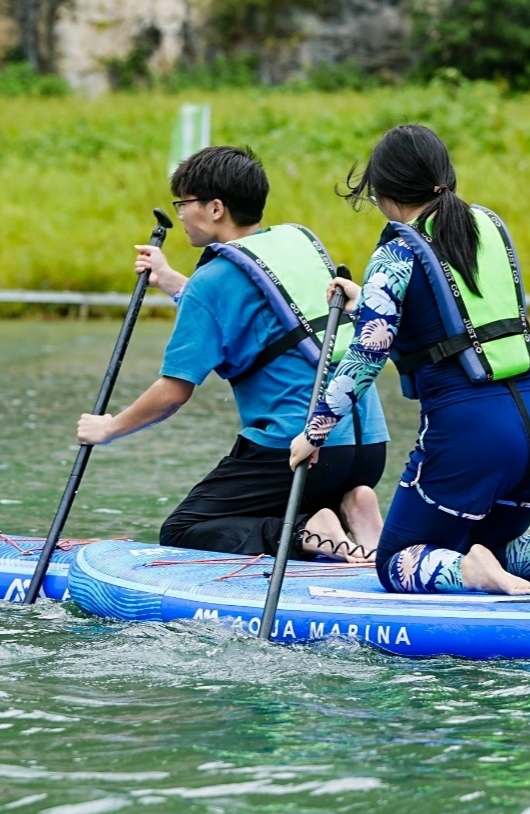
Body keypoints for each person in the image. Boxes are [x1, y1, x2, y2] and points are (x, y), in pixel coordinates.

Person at [289, 124, 530, 595]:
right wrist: (367, 301)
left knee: (396, 560)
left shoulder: (396, 252)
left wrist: (315, 431)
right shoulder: (487, 225)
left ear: (384, 192)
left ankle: (470, 573)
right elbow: (458, 318)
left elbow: (366, 354)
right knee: (476, 538)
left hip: (470, 436)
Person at [75, 145, 389, 560]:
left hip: (300, 451)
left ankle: (307, 530)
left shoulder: (212, 281)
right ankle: (353, 507)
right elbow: (263, 319)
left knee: (184, 529)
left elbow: (173, 392)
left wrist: (109, 428)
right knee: (280, 498)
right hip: (367, 448)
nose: (182, 213)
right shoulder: (290, 246)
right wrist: (171, 281)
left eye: (184, 203)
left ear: (216, 208)